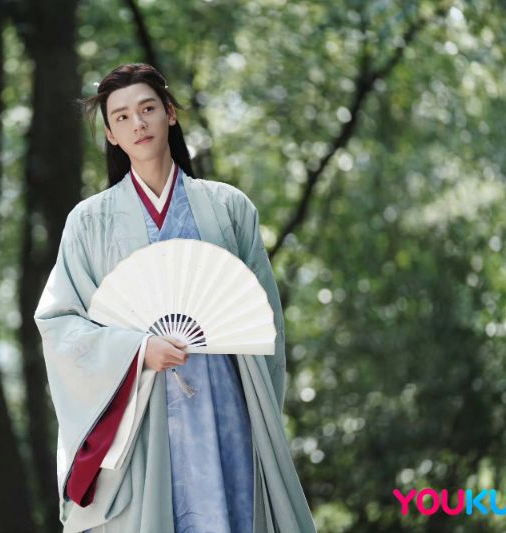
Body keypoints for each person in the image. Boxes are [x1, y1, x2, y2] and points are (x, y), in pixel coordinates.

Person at [34, 63, 317, 533]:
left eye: (148, 109)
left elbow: (267, 325)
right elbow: (60, 323)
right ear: (111, 135)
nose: (137, 123)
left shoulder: (229, 207)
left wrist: (260, 418)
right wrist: (138, 350)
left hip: (226, 409)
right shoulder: (88, 222)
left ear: (170, 114)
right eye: (122, 117)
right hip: (143, 416)